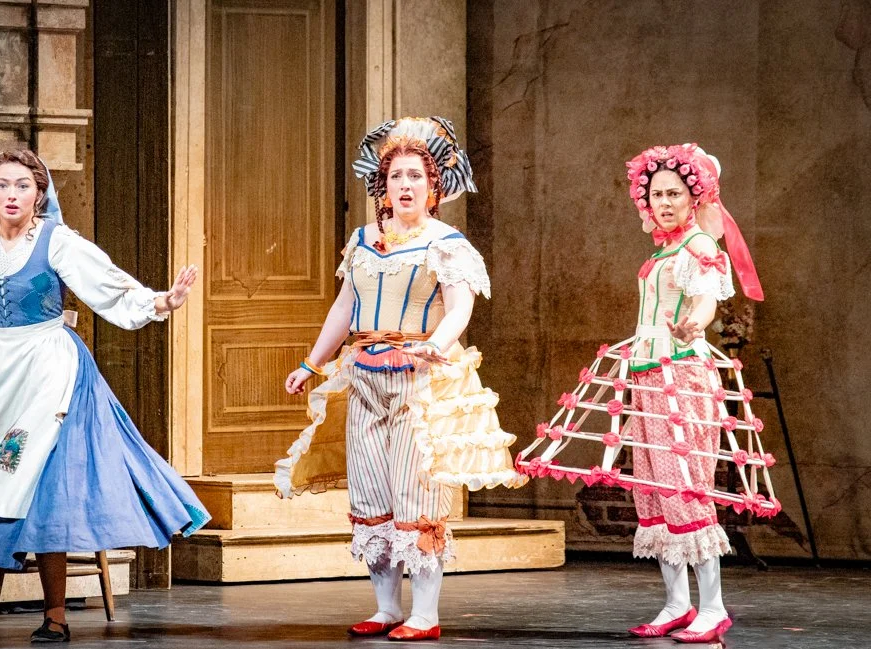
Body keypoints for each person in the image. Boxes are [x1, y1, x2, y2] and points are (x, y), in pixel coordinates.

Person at [0, 150, 210, 642]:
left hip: (47, 367)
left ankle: (55, 615)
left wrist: (161, 301)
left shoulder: (56, 239)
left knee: (40, 489)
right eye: (2, 185)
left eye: (22, 185)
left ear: (39, 193)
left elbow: (107, 286)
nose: (11, 194)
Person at [275, 117, 526, 641]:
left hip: (418, 380)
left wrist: (436, 346)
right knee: (370, 493)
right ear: (382, 187)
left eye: (416, 176)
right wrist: (311, 363)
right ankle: (386, 608)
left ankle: (425, 614)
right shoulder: (363, 240)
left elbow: (460, 308)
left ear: (434, 186)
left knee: (418, 495)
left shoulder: (446, 243)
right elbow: (344, 308)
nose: (405, 185)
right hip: (365, 376)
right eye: (396, 177)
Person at [517, 144, 779, 644]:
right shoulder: (663, 251)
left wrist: (693, 325)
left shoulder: (698, 247)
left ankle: (713, 607)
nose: (664, 202)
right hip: (647, 376)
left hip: (682, 376)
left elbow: (705, 302)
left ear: (693, 197)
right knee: (653, 491)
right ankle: (678, 603)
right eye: (657, 194)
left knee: (685, 488)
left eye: (674, 193)